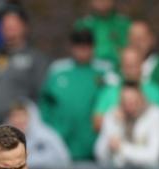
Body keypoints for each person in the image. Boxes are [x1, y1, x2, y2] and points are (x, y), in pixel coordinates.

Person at [39, 28, 114, 161]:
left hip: (95, 144)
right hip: (61, 143)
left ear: (93, 47)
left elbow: (113, 100)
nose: (82, 51)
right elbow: (45, 105)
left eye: (86, 46)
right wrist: (52, 133)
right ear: (72, 47)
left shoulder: (105, 71)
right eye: (79, 46)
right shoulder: (58, 70)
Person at [0, 6, 48, 130]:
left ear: (25, 27)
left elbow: (42, 97)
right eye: (5, 25)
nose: (8, 29)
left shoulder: (35, 59)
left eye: (13, 25)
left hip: (16, 129)